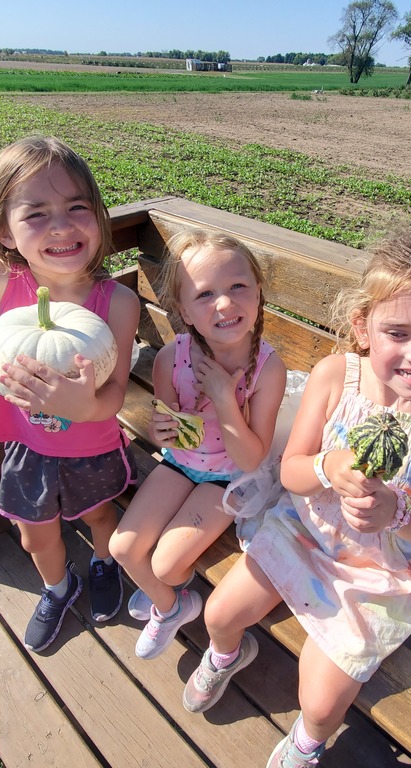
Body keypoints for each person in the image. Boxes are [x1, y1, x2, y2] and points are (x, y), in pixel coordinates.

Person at [183, 232, 411, 767]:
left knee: (320, 702)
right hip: (303, 530)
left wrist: (397, 512)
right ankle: (228, 654)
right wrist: (327, 465)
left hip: (375, 570)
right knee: (219, 614)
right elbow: (294, 473)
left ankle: (308, 742)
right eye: (398, 332)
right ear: (362, 328)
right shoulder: (334, 377)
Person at [0, 135, 139, 653]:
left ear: (98, 215)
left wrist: (85, 406)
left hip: (91, 444)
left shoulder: (115, 303)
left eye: (77, 207)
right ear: (4, 229)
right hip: (24, 446)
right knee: (33, 534)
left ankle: (102, 561)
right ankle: (58, 587)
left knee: (99, 515)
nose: (63, 226)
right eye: (37, 214)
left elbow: (114, 392)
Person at [109, 230, 286, 660]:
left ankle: (167, 589)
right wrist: (159, 431)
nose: (224, 304)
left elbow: (250, 457)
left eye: (237, 287)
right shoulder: (174, 358)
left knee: (165, 565)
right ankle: (172, 607)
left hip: (227, 476)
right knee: (122, 548)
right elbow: (166, 422)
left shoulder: (267, 370)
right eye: (205, 295)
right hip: (181, 462)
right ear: (185, 311)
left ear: (258, 292)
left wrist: (226, 398)